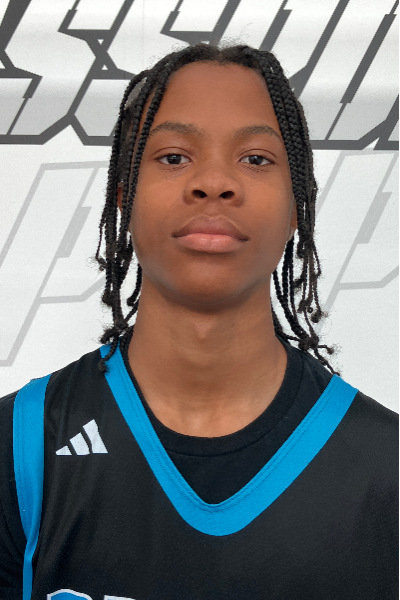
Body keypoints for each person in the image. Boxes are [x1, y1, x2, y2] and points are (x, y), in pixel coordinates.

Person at [0, 44, 398, 600]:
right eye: (173, 157)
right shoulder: (20, 448)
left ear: (296, 206)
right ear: (124, 194)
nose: (213, 182)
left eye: (255, 158)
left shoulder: (386, 469)